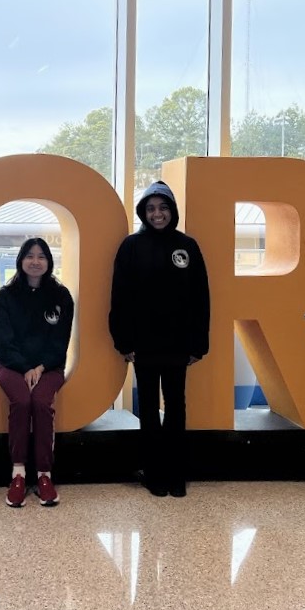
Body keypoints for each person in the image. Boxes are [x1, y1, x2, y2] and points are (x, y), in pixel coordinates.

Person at [109, 181, 210, 498]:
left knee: (177, 408)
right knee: (149, 409)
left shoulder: (188, 247)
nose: (157, 214)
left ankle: (176, 476)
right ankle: (155, 475)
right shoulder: (131, 246)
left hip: (179, 344)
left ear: (172, 211)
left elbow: (200, 298)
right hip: (144, 345)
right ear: (143, 212)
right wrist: (123, 343)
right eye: (151, 208)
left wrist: (198, 344)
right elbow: (120, 297)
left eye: (163, 207)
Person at [0, 237, 75, 508]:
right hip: (11, 366)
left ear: (49, 262)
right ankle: (18, 473)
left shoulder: (61, 297)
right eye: (30, 256)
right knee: (22, 401)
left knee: (40, 402)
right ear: (21, 260)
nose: (35, 261)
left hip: (48, 366)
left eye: (42, 256)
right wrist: (24, 367)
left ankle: (44, 475)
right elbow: (3, 342)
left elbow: (60, 341)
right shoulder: (5, 296)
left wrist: (40, 367)